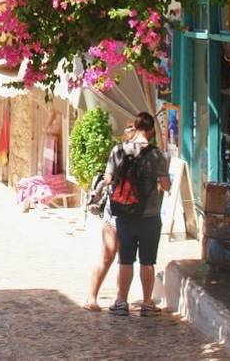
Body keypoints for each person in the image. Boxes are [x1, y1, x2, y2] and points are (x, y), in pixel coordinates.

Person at [102, 112, 170, 316]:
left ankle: (121, 302)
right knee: (147, 261)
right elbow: (165, 185)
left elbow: (107, 179)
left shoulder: (118, 151)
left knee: (125, 260)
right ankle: (147, 304)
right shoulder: (158, 155)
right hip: (149, 215)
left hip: (125, 214)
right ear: (150, 131)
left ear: (136, 127)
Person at [82, 123, 134, 311]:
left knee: (122, 258)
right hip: (117, 212)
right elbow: (108, 178)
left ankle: (119, 300)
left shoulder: (141, 156)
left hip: (129, 214)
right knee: (109, 256)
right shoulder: (119, 152)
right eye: (129, 130)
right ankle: (93, 297)